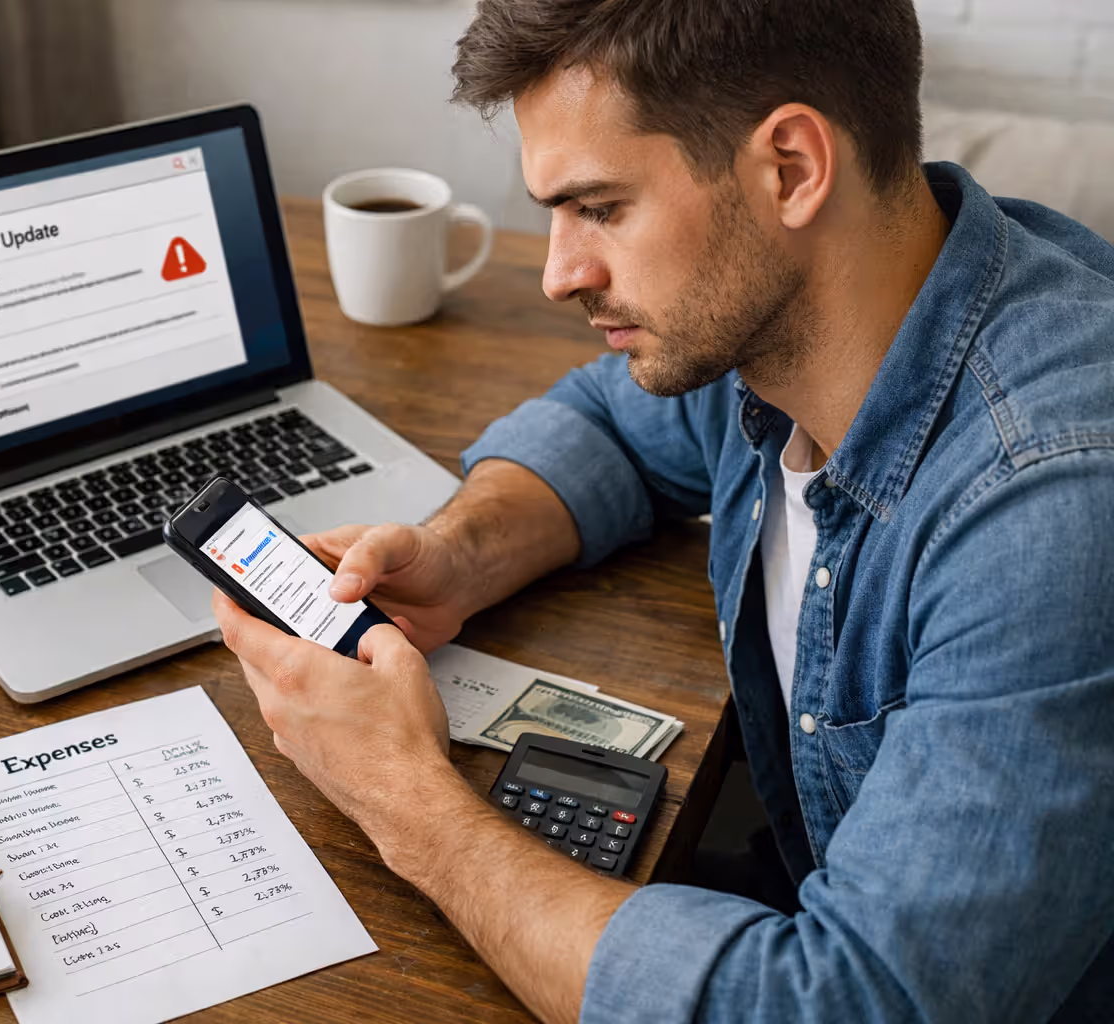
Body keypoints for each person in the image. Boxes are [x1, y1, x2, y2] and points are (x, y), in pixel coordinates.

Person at [212, 1, 1114, 1020]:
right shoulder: (791, 333)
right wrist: (459, 553)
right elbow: (607, 424)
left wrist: (407, 801)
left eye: (599, 208)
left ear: (790, 169)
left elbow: (850, 1005)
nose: (558, 273)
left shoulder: (1050, 512)